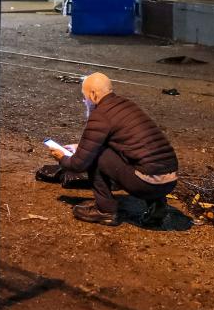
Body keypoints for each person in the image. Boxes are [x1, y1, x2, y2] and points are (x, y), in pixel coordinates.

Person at [50, 73, 178, 226]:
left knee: (96, 156)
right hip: (169, 180)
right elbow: (123, 143)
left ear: (93, 94)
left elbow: (79, 165)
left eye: (84, 97)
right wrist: (80, 147)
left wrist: (62, 158)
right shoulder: (125, 105)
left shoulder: (101, 114)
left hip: (147, 183)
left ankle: (105, 211)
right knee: (143, 159)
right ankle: (158, 206)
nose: (85, 101)